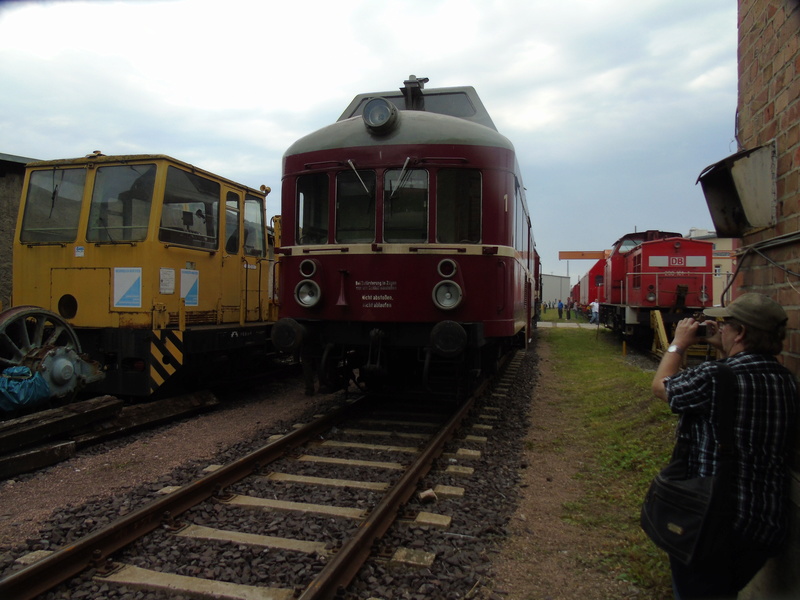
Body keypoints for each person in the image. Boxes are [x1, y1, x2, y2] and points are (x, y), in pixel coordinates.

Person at [650, 293, 797, 599]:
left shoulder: (716, 378)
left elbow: (661, 386)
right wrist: (726, 348)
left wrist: (678, 343)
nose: (719, 329)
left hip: (711, 521)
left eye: (724, 325)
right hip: (764, 524)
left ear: (740, 332)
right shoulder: (786, 381)